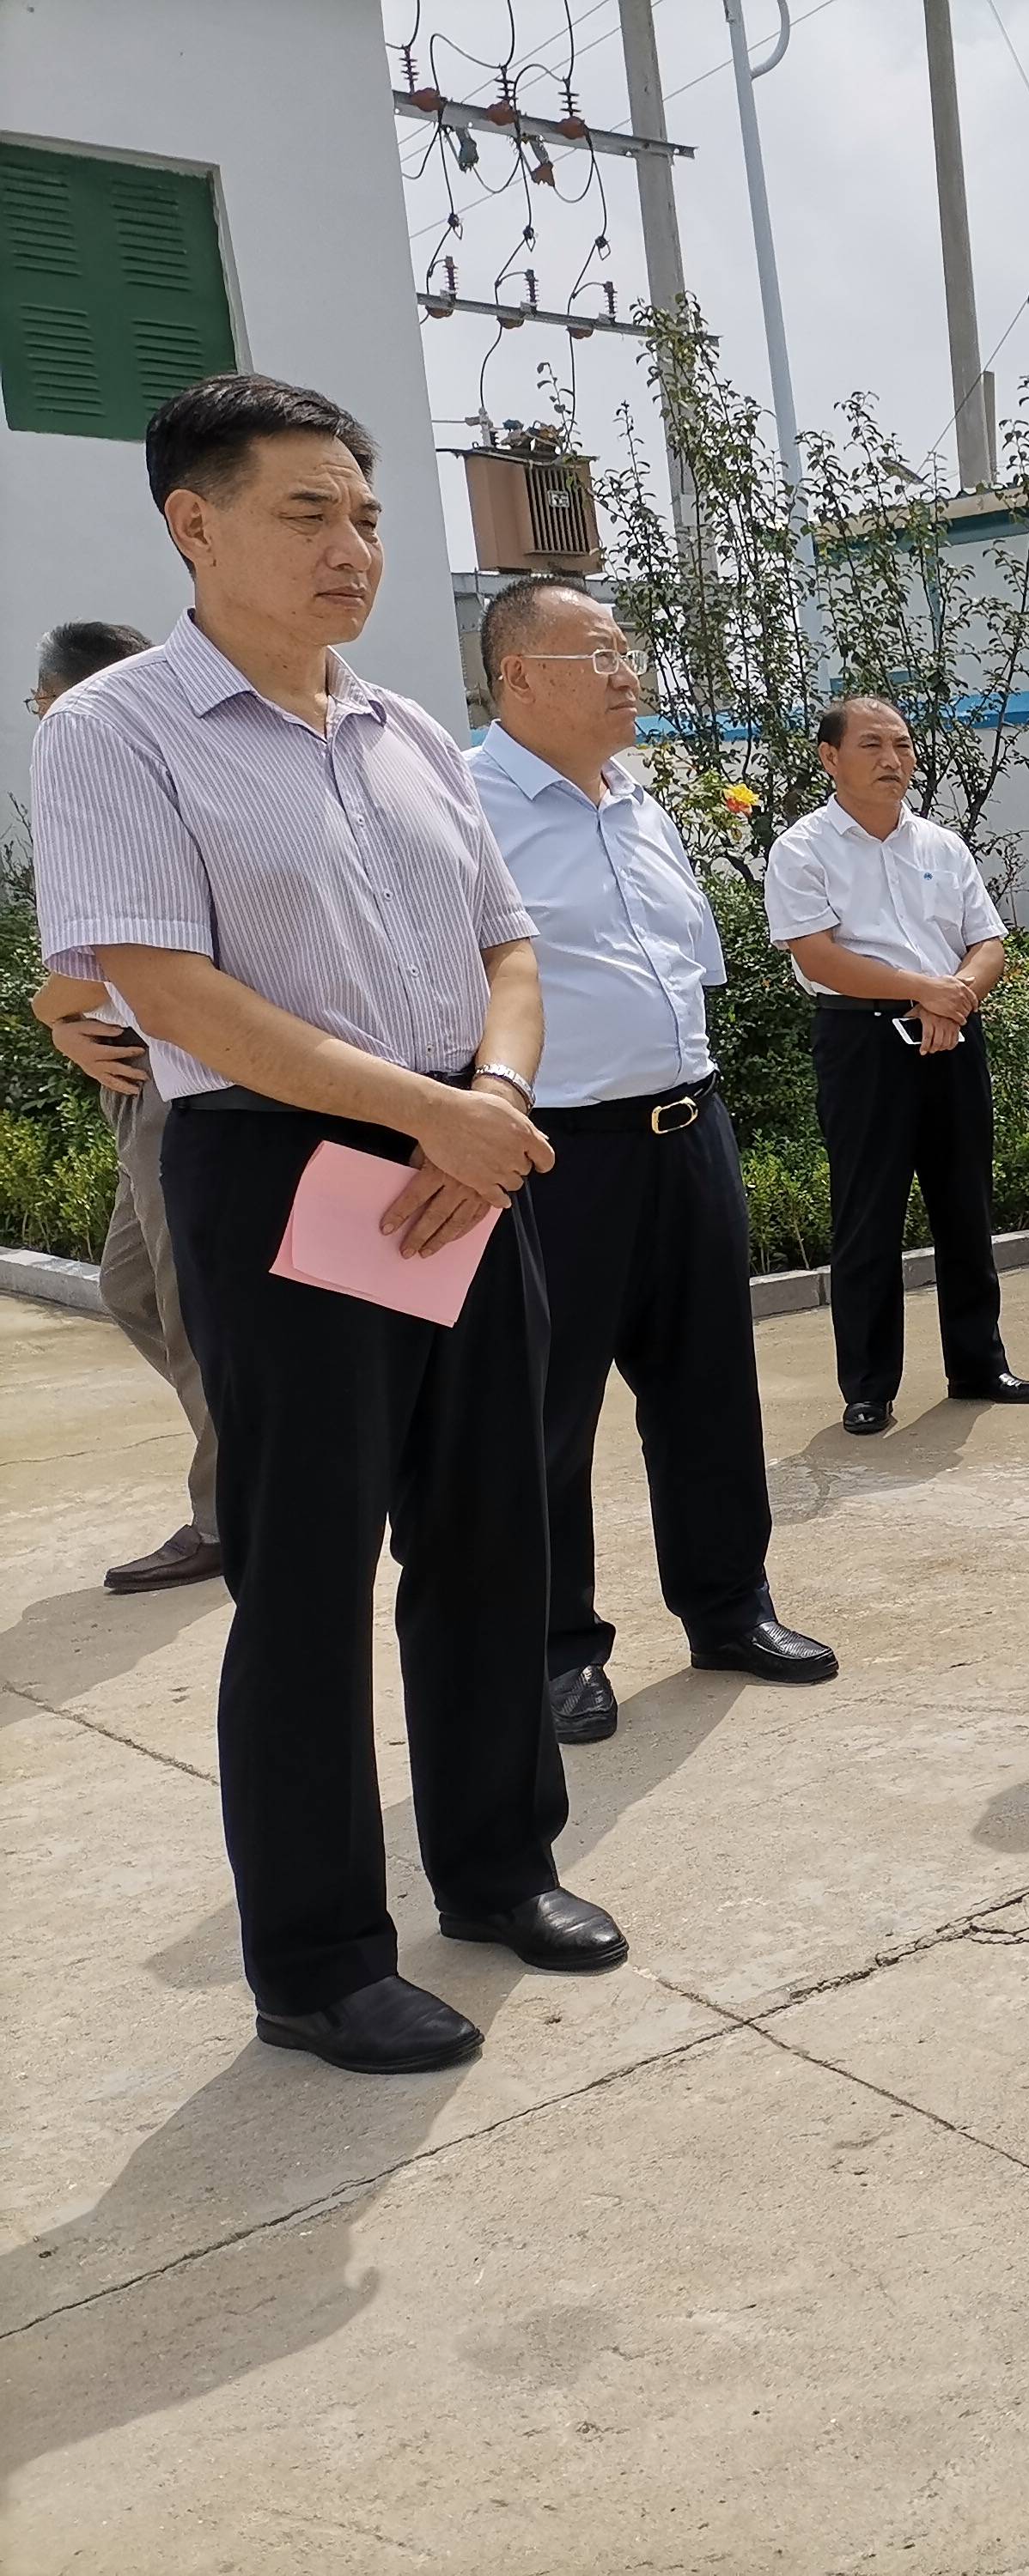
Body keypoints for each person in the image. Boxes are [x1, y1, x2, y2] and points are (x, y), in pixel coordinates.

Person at [33, 373, 624, 2075]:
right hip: (290, 1175)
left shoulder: (409, 731)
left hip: (463, 1156)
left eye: (365, 513)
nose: (351, 544)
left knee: (491, 1530)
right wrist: (420, 1111)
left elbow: (506, 948)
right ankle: (315, 1958)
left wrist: (489, 1106)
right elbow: (162, 986)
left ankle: (501, 1863)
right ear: (194, 524)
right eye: (309, 512)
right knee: (304, 1576)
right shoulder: (120, 731)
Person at [466, 576, 838, 1742]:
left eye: (630, 652)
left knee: (710, 1391)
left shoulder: (636, 798)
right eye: (602, 655)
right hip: (555, 1152)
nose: (632, 676)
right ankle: (553, 1649)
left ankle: (729, 1605)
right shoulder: (463, 803)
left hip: (687, 1129)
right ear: (520, 673)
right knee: (545, 1414)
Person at [764, 696, 1029, 1437]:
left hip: (951, 1035)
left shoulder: (941, 847)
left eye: (903, 745)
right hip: (861, 1042)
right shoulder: (803, 848)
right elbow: (819, 956)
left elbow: (988, 943)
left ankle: (978, 1364)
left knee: (965, 1204)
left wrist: (951, 1003)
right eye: (872, 746)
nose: (894, 760)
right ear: (830, 758)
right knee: (869, 1212)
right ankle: (868, 1384)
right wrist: (925, 990)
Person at [22, 619, 222, 1594]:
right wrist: (66, 1020)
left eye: (40, 702)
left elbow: (104, 958)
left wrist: (48, 1008)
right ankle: (257, 1464)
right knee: (136, 1292)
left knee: (189, 1308)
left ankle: (230, 1512)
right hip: (137, 1073)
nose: (42, 722)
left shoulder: (132, 771)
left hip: (176, 1075)